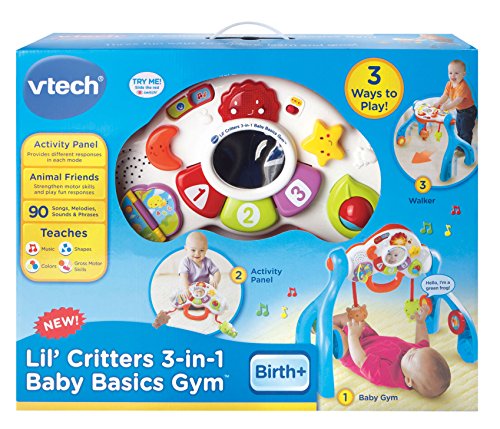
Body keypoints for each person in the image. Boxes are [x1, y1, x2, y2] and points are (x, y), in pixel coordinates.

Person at [335, 305, 451, 398]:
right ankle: (328, 320)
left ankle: (325, 326)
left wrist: (353, 336)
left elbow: (360, 360)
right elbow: (423, 341)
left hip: (352, 351)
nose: (412, 349)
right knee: (352, 317)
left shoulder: (386, 374)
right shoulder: (418, 356)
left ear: (408, 380)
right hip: (371, 338)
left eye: (412, 356)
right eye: (417, 349)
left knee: (339, 337)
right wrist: (421, 323)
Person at [433, 59, 477, 144]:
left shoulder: (463, 86)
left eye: (456, 73)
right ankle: (460, 144)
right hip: (459, 111)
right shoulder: (449, 84)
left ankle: (465, 148)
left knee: (465, 130)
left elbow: (457, 101)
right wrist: (438, 103)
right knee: (459, 128)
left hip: (468, 111)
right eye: (450, 73)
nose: (453, 76)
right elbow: (445, 95)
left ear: (463, 74)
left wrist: (447, 107)